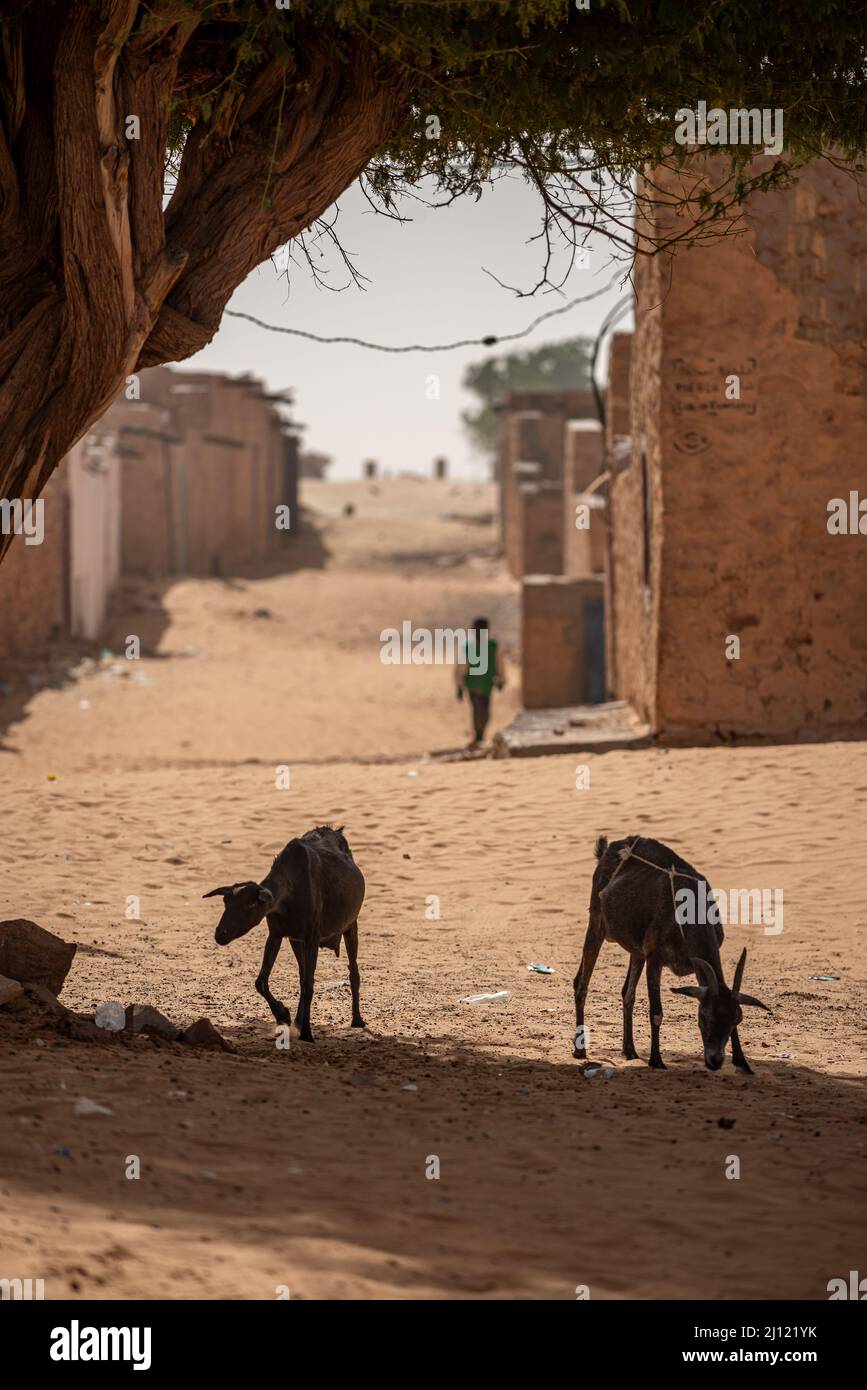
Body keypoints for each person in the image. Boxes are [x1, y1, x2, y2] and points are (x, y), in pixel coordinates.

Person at [455, 616, 504, 748]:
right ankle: (478, 736)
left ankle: (481, 734)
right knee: (477, 711)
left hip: (487, 684)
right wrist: (459, 686)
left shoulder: (492, 646)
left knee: (486, 712)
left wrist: (501, 679)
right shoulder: (468, 647)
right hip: (473, 684)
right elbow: (461, 667)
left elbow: (499, 664)